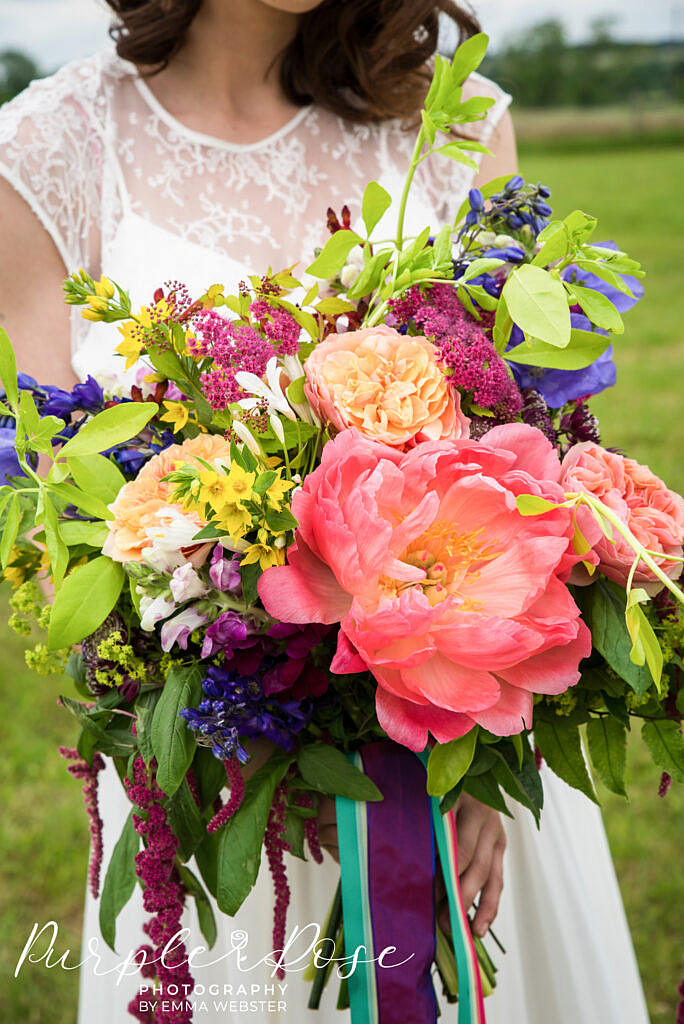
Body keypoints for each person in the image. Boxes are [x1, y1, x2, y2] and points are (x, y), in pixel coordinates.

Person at [0, 1, 651, 1021]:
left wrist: (481, 753)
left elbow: (536, 463)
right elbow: (45, 503)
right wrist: (221, 677)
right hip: (231, 786)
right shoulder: (51, 149)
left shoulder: (452, 119)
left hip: (465, 767)